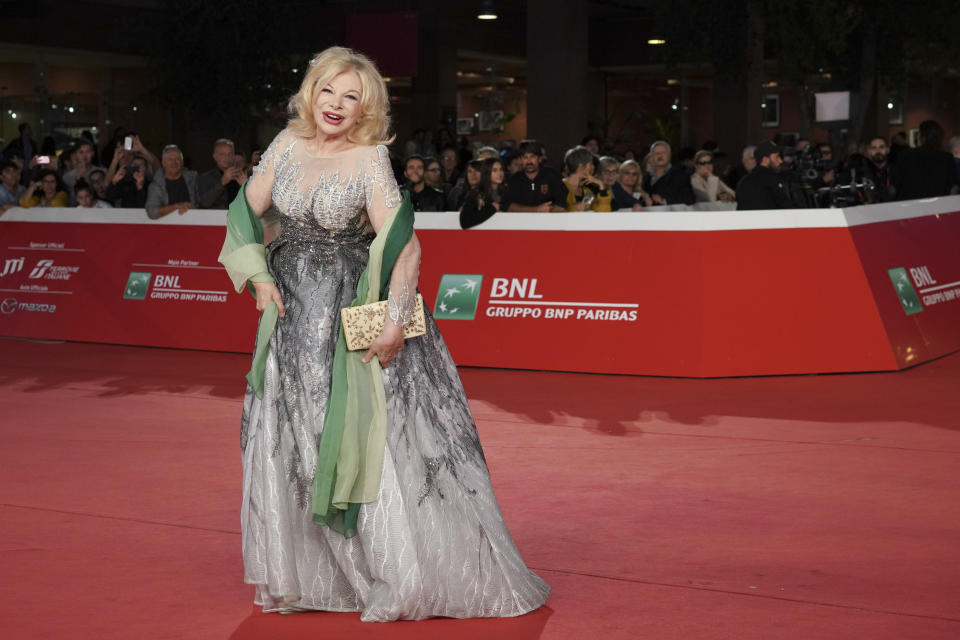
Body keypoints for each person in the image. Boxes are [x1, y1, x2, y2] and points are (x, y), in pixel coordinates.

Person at [219, 46, 548, 621]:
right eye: (329, 91)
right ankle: (320, 576)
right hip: (292, 318)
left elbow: (403, 248)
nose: (337, 105)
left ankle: (391, 574)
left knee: (360, 441)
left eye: (352, 96)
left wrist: (396, 322)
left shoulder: (371, 159)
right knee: (296, 435)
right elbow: (243, 215)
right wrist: (258, 279)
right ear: (310, 92)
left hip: (353, 311)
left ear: (367, 107)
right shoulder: (285, 146)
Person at [893, 120, 954, 200]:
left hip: (908, 206)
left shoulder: (905, 155)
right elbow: (951, 186)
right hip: (937, 206)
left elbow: (895, 184)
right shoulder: (947, 158)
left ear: (922, 136)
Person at [503, 139, 566, 212]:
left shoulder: (552, 175)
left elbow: (562, 203)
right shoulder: (515, 179)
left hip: (549, 221)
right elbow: (507, 205)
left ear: (540, 159)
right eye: (525, 157)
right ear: (520, 160)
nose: (529, 161)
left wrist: (551, 210)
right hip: (521, 222)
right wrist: (536, 209)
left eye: (532, 157)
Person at [145, 145, 199, 218]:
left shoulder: (194, 179)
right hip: (167, 227)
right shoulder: (156, 185)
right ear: (163, 162)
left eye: (177, 159)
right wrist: (175, 207)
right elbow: (152, 212)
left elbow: (205, 204)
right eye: (170, 159)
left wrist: (193, 207)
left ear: (182, 162)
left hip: (194, 225)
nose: (174, 162)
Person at [735, 141, 793, 210]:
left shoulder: (743, 181)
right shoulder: (773, 180)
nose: (780, 161)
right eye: (777, 157)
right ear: (765, 160)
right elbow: (787, 209)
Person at [642, 141, 695, 205]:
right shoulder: (645, 178)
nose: (660, 156)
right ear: (652, 157)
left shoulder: (680, 175)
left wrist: (664, 201)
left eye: (663, 153)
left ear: (669, 156)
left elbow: (689, 199)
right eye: (656, 153)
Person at [199, 138, 246, 209]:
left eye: (230, 154)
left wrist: (245, 187)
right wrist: (222, 182)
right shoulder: (205, 177)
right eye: (222, 154)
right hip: (214, 218)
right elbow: (204, 203)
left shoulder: (241, 175)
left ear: (233, 156)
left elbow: (254, 204)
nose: (226, 157)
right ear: (215, 156)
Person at [459, 157, 505, 228]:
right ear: (487, 173)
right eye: (495, 170)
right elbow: (465, 221)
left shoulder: (507, 191)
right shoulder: (477, 194)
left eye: (501, 169)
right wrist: (492, 209)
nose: (499, 173)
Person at [561, 146, 611, 211]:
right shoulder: (560, 187)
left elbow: (604, 211)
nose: (593, 167)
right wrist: (573, 208)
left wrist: (601, 184)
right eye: (591, 164)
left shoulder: (587, 192)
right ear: (581, 166)